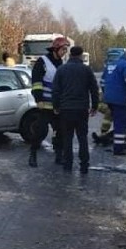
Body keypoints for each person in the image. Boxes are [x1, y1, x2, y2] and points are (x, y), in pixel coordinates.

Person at [52, 45, 99, 174]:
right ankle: (84, 165)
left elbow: (55, 90)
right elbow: (94, 89)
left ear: (70, 55)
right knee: (82, 138)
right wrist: (95, 106)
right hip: (81, 109)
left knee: (67, 138)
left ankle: (68, 164)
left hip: (66, 109)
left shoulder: (61, 70)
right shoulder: (86, 70)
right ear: (81, 55)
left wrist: (56, 106)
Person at [28, 36, 68, 167]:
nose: (65, 52)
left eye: (66, 49)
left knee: (60, 131)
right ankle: (33, 155)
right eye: (63, 49)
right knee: (40, 131)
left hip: (57, 106)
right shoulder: (43, 61)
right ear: (55, 49)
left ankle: (59, 155)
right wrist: (38, 99)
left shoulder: (61, 64)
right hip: (44, 104)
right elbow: (36, 82)